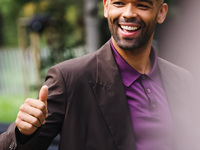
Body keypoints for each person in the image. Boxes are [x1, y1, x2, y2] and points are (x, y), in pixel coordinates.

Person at [0, 0, 199, 149]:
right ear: (106, 7)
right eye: (119, 3)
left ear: (161, 12)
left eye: (142, 5)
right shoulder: (70, 78)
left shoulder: (183, 80)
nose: (128, 13)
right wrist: (22, 132)